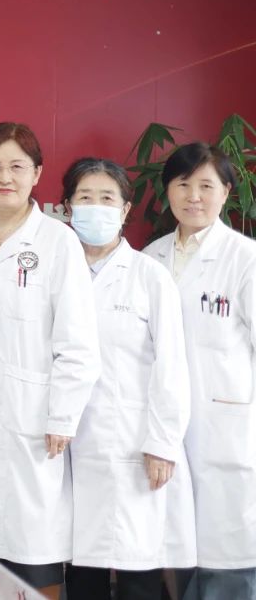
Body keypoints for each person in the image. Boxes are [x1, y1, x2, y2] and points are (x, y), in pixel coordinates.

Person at [0, 123, 101, 599]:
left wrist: (62, 417)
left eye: (17, 166)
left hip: (32, 420)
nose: (5, 177)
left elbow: (77, 342)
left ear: (36, 174)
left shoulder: (58, 242)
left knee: (32, 548)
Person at [62, 158, 195, 600]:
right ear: (67, 208)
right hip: (67, 445)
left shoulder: (149, 276)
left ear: (124, 210)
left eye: (107, 198)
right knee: (80, 571)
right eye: (85, 197)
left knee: (138, 566)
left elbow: (171, 366)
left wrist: (163, 442)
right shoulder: (55, 272)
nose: (95, 207)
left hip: (132, 445)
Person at [143, 142, 256, 600]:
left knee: (230, 551)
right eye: (183, 184)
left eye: (206, 186)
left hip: (228, 426)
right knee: (177, 546)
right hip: (166, 429)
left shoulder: (245, 258)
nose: (194, 196)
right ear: (167, 191)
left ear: (226, 192)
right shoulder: (150, 258)